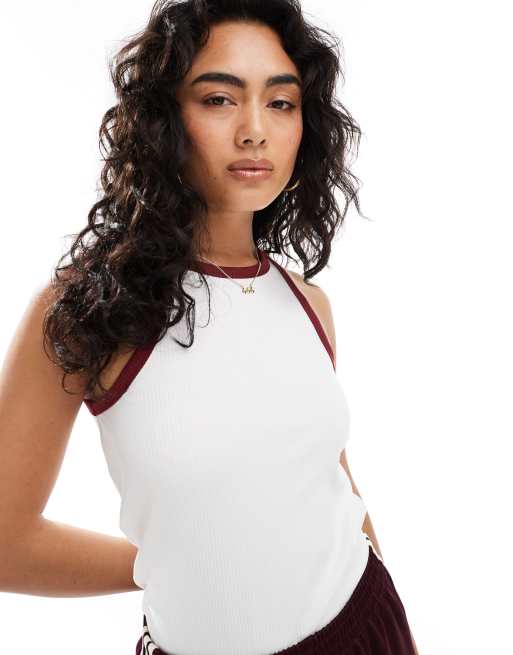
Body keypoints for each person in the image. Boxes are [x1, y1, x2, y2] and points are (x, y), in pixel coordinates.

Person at [0, 0, 419, 653]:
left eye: (280, 103)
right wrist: (165, 560)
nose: (254, 130)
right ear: (163, 119)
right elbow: (6, 545)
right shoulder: (86, 311)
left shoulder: (308, 303)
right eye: (219, 99)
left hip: (364, 624)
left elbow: (332, 483)